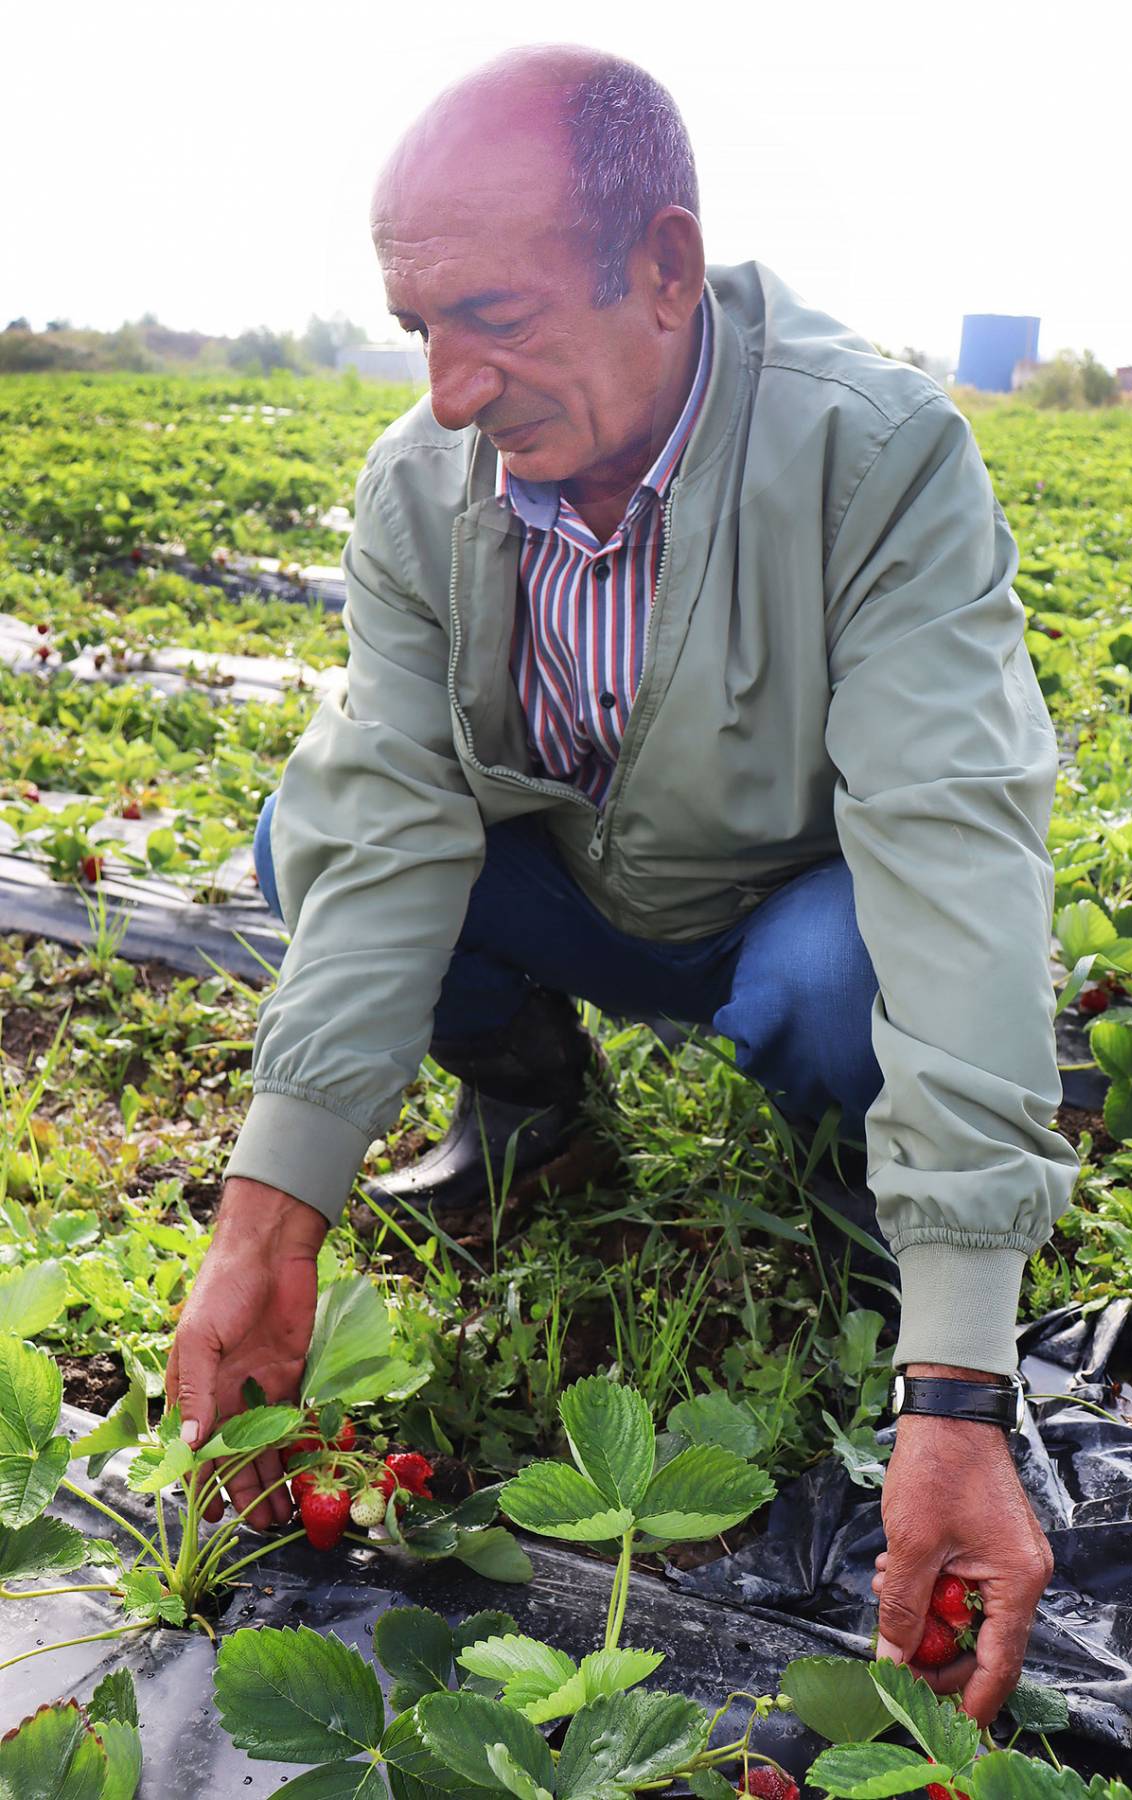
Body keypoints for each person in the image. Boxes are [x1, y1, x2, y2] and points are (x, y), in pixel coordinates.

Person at [166, 42, 1079, 1726]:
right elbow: (388, 836)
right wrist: (268, 1214)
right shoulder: (422, 488)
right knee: (314, 833)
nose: (450, 386)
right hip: (584, 881)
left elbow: (954, 858)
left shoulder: (869, 455)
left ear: (665, 268)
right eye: (419, 328)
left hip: (791, 907)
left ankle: (867, 1205)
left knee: (841, 985)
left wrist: (958, 1380)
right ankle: (535, 1108)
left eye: (495, 317)